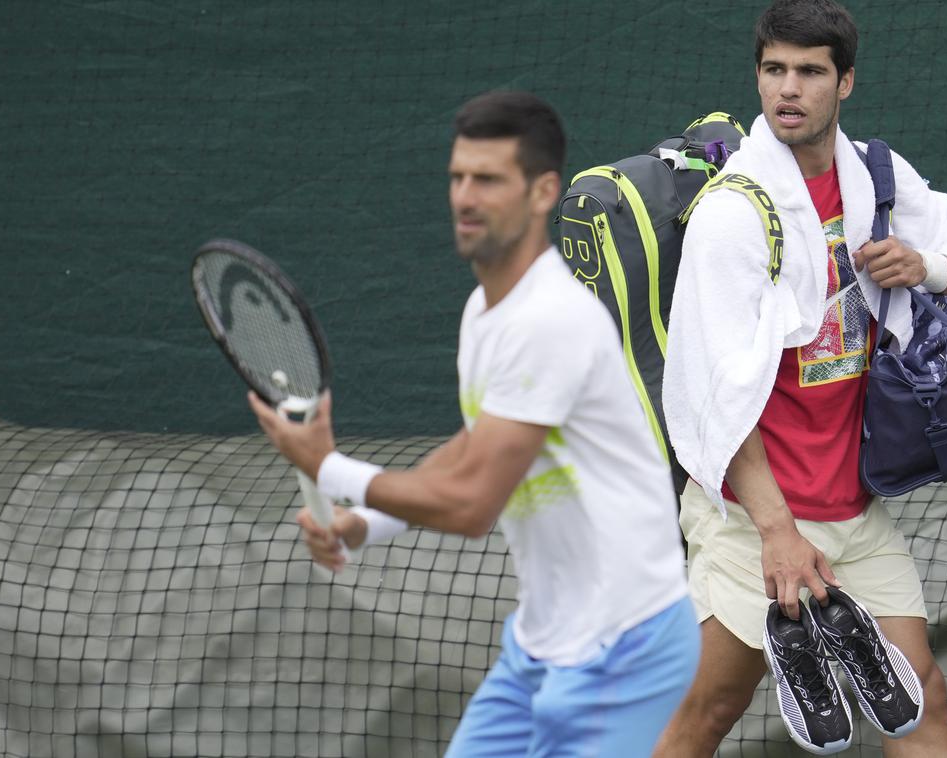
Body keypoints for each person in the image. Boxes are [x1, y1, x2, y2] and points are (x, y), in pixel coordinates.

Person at [248, 90, 699, 757]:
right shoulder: (483, 315)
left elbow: (471, 505)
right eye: (458, 177)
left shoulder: (551, 321)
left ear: (543, 192)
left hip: (624, 648)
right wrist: (365, 523)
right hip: (540, 645)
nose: (464, 196)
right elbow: (474, 450)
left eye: (487, 180)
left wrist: (328, 467)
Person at [653, 1, 947, 756]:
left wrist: (927, 265)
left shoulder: (877, 176)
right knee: (709, 708)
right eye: (775, 69)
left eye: (810, 72)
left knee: (919, 698)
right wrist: (777, 534)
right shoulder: (732, 214)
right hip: (754, 517)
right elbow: (715, 392)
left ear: (845, 82)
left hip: (853, 507)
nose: (789, 88)